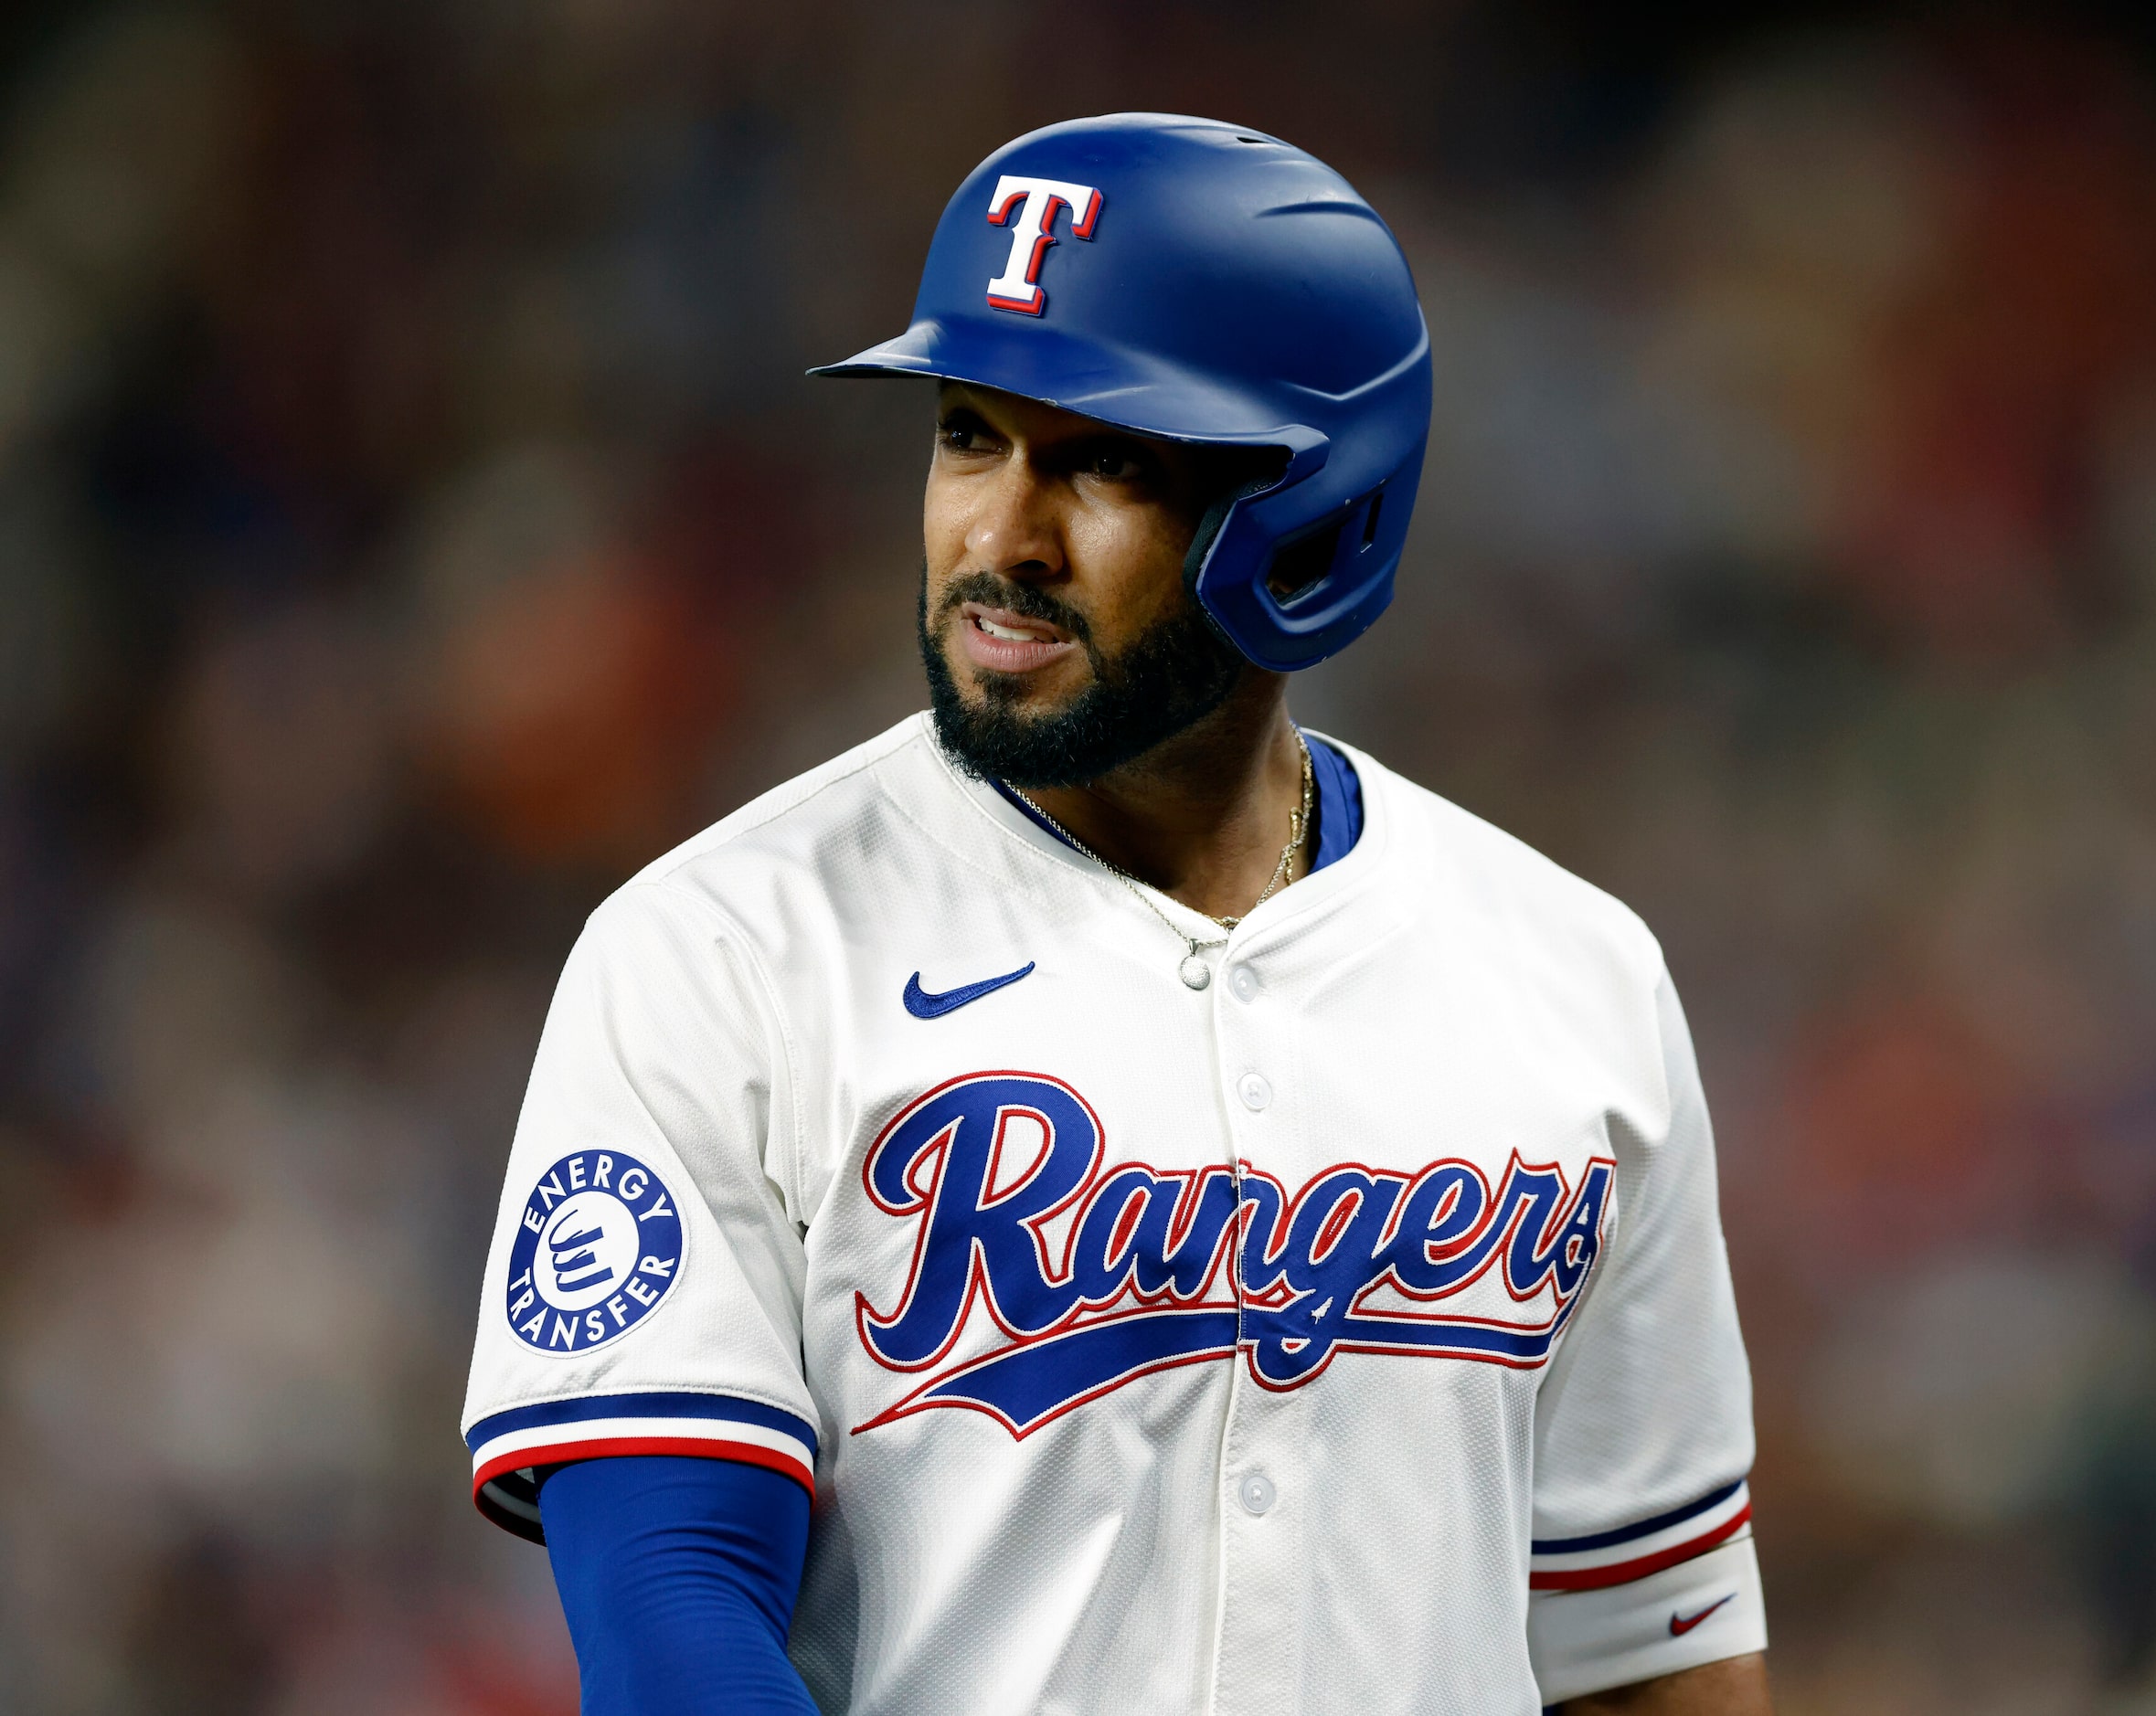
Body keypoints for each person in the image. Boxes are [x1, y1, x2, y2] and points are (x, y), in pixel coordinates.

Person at [460, 112, 1771, 1716]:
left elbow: (1649, 1649)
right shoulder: (725, 950)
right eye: (965, 436)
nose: (997, 537)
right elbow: (671, 1613)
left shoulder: (1573, 981)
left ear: (1314, 508)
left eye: (1102, 461)